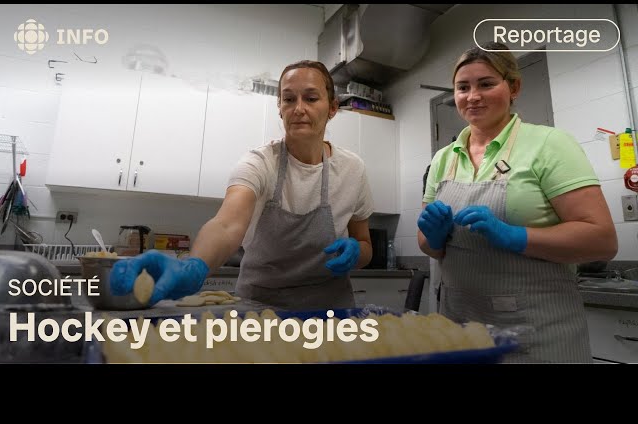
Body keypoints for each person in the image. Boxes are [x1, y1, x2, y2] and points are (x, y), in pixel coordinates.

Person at [110, 60, 374, 310]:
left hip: (332, 312)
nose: (299, 108)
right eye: (289, 99)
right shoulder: (259, 163)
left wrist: (356, 254)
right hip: (262, 310)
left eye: (311, 98)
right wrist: (195, 265)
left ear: (332, 108)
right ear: (279, 107)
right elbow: (227, 224)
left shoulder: (353, 169)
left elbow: (364, 244)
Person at [417, 42, 617, 363]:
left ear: (514, 87)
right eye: (462, 87)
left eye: (486, 84)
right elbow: (428, 245)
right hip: (460, 331)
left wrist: (516, 236)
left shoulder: (549, 144)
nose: (473, 96)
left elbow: (602, 241)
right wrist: (433, 237)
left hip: (535, 335)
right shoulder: (444, 158)